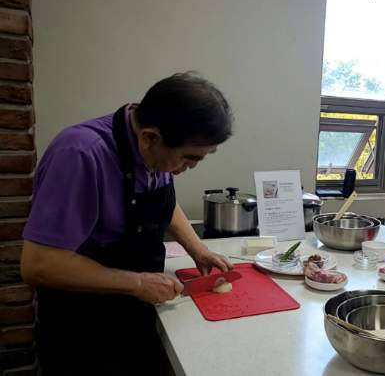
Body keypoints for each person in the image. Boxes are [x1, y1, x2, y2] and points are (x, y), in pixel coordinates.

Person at [20, 72, 235, 375]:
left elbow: (163, 202)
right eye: (189, 158)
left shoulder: (154, 150)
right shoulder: (80, 155)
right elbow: (38, 264)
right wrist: (137, 283)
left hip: (134, 314)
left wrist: (197, 249)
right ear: (149, 137)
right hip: (83, 331)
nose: (191, 167)